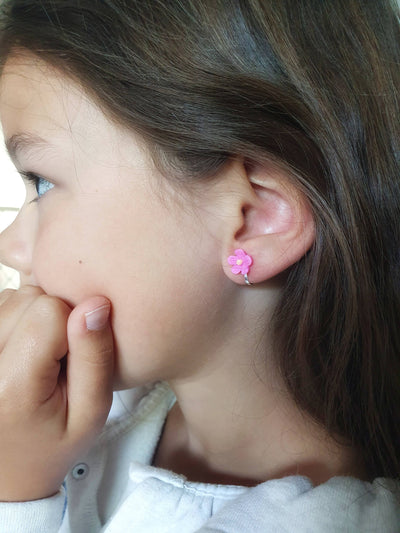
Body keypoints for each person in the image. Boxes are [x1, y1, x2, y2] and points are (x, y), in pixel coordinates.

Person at [0, 0, 399, 531]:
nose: (10, 246)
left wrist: (16, 493)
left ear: (254, 220)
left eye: (43, 183)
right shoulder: (80, 411)